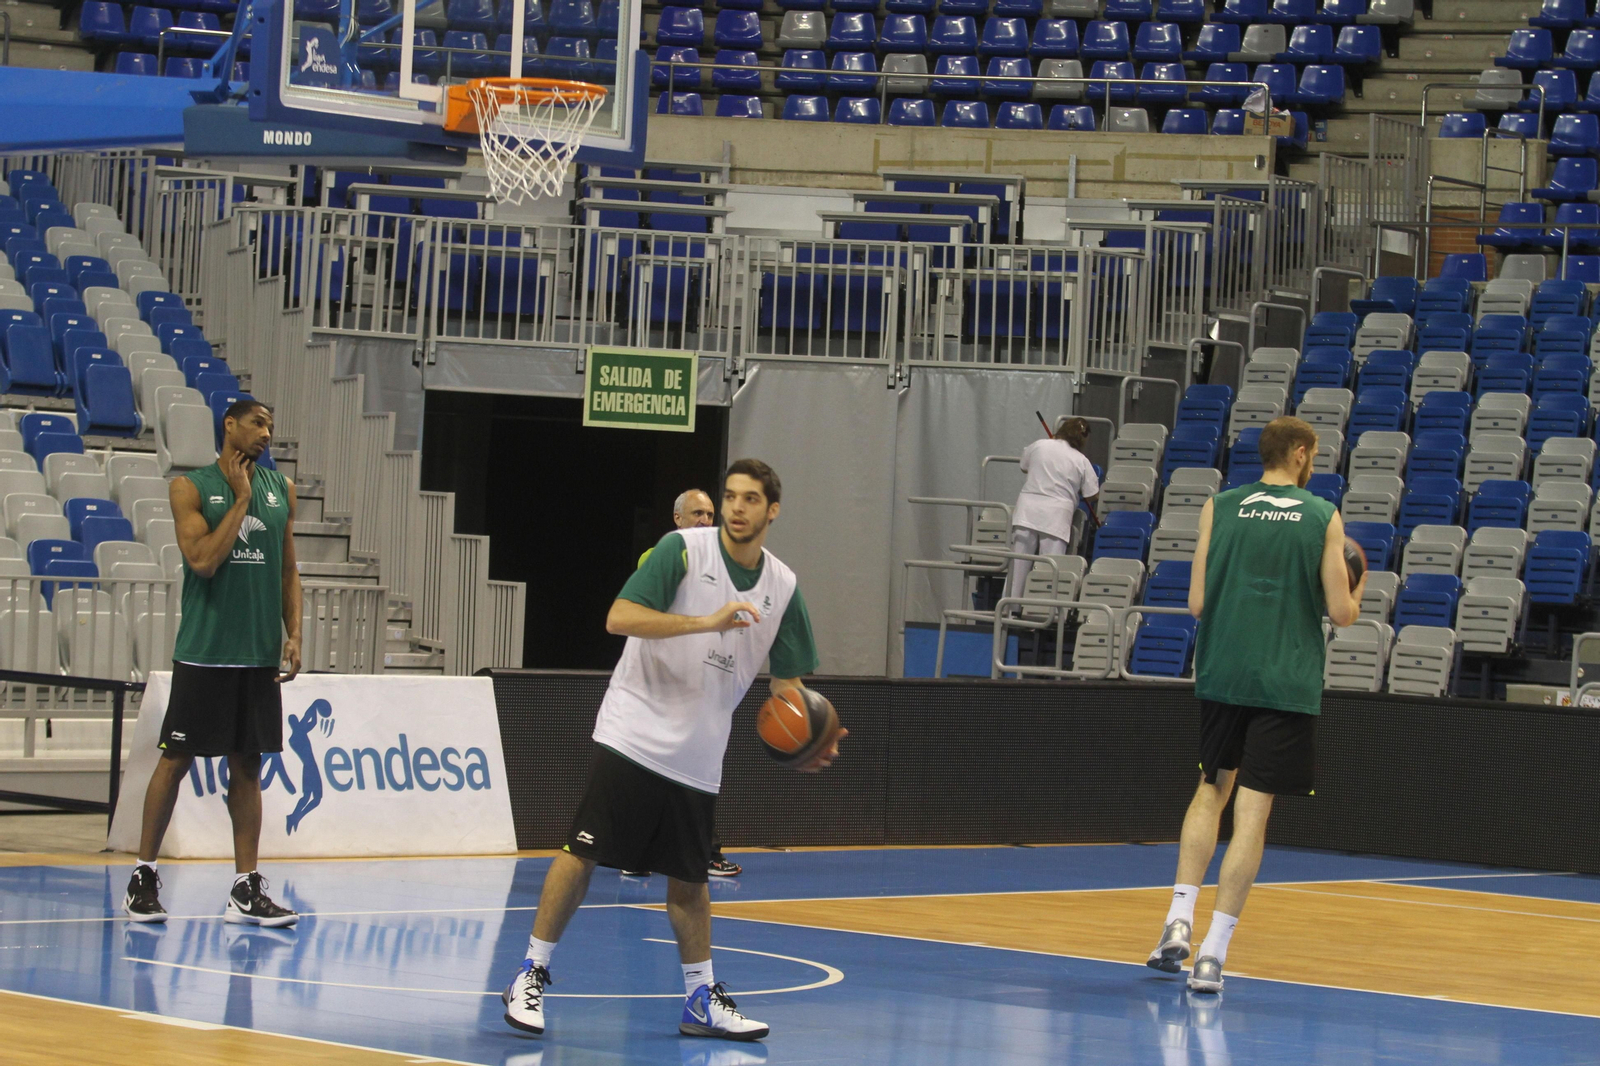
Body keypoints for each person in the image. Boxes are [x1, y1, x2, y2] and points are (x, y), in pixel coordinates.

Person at [501, 459, 844, 1042]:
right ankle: (530, 973)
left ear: (772, 510)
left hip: (700, 751)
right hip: (635, 729)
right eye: (730, 496)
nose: (736, 508)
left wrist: (812, 737)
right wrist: (706, 622)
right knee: (582, 852)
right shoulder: (681, 549)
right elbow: (619, 617)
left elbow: (787, 687)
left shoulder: (782, 586)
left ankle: (700, 1000)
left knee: (689, 879)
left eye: (750, 499)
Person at [1145, 416, 1367, 994]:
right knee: (1253, 812)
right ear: (1300, 453)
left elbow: (1197, 604)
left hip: (1224, 672)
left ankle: (1178, 919)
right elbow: (1341, 613)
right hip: (1283, 681)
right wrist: (1359, 583)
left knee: (1210, 791)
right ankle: (1213, 956)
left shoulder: (1219, 507)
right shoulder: (1322, 515)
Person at [122, 399, 303, 928]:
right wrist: (241, 500)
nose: (266, 433)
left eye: (271, 426)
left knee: (247, 765)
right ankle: (143, 877)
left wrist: (294, 633)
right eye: (257, 423)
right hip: (206, 653)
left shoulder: (282, 489)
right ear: (230, 425)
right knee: (176, 760)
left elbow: (288, 569)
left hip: (257, 654)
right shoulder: (190, 487)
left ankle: (245, 888)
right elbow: (201, 560)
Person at [626, 487, 743, 880]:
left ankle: (705, 853)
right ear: (677, 519)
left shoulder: (725, 563)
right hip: (659, 685)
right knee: (647, 773)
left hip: (700, 685)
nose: (704, 521)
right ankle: (637, 855)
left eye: (709, 514)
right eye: (696, 514)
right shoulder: (659, 555)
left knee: (698, 773)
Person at [1006, 416, 1100, 606]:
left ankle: (1008, 611)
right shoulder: (1081, 460)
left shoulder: (1039, 445)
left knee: (1018, 568)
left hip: (1027, 512)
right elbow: (1093, 494)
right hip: (1056, 517)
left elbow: (1024, 466)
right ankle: (1041, 612)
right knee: (1050, 571)